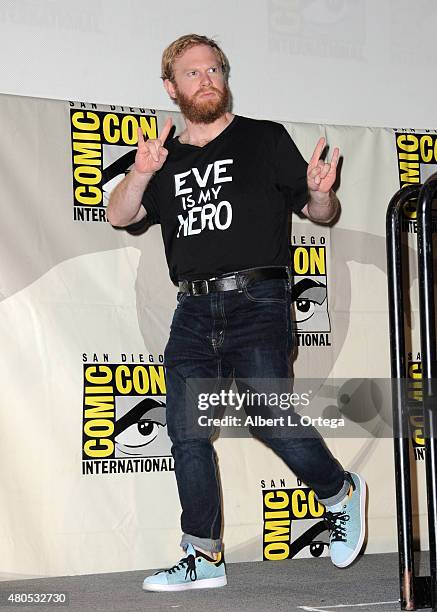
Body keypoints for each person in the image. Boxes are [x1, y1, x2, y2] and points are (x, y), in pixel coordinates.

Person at [107, 33, 366, 592]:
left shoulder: (264, 139)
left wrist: (321, 192)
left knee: (268, 415)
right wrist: (144, 172)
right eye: (193, 73)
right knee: (185, 432)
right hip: (193, 310)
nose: (207, 80)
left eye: (214, 69)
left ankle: (341, 493)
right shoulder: (163, 156)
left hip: (260, 300)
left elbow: (321, 211)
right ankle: (203, 556)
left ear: (225, 77)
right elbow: (118, 214)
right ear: (171, 87)